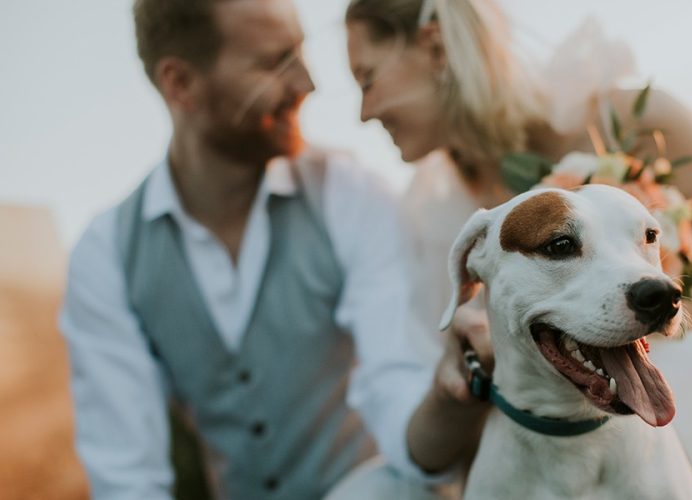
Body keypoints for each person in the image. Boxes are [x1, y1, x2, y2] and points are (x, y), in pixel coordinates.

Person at [343, 0, 692, 498]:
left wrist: (642, 315)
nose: (364, 111)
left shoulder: (629, 117)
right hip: (557, 423)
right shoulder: (429, 214)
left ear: (433, 46)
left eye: (367, 77)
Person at [60, 0, 486, 498]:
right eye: (273, 62)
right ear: (181, 84)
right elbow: (126, 478)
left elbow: (399, 384)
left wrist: (449, 395)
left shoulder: (348, 194)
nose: (308, 84)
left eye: (300, 54)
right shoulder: (105, 254)